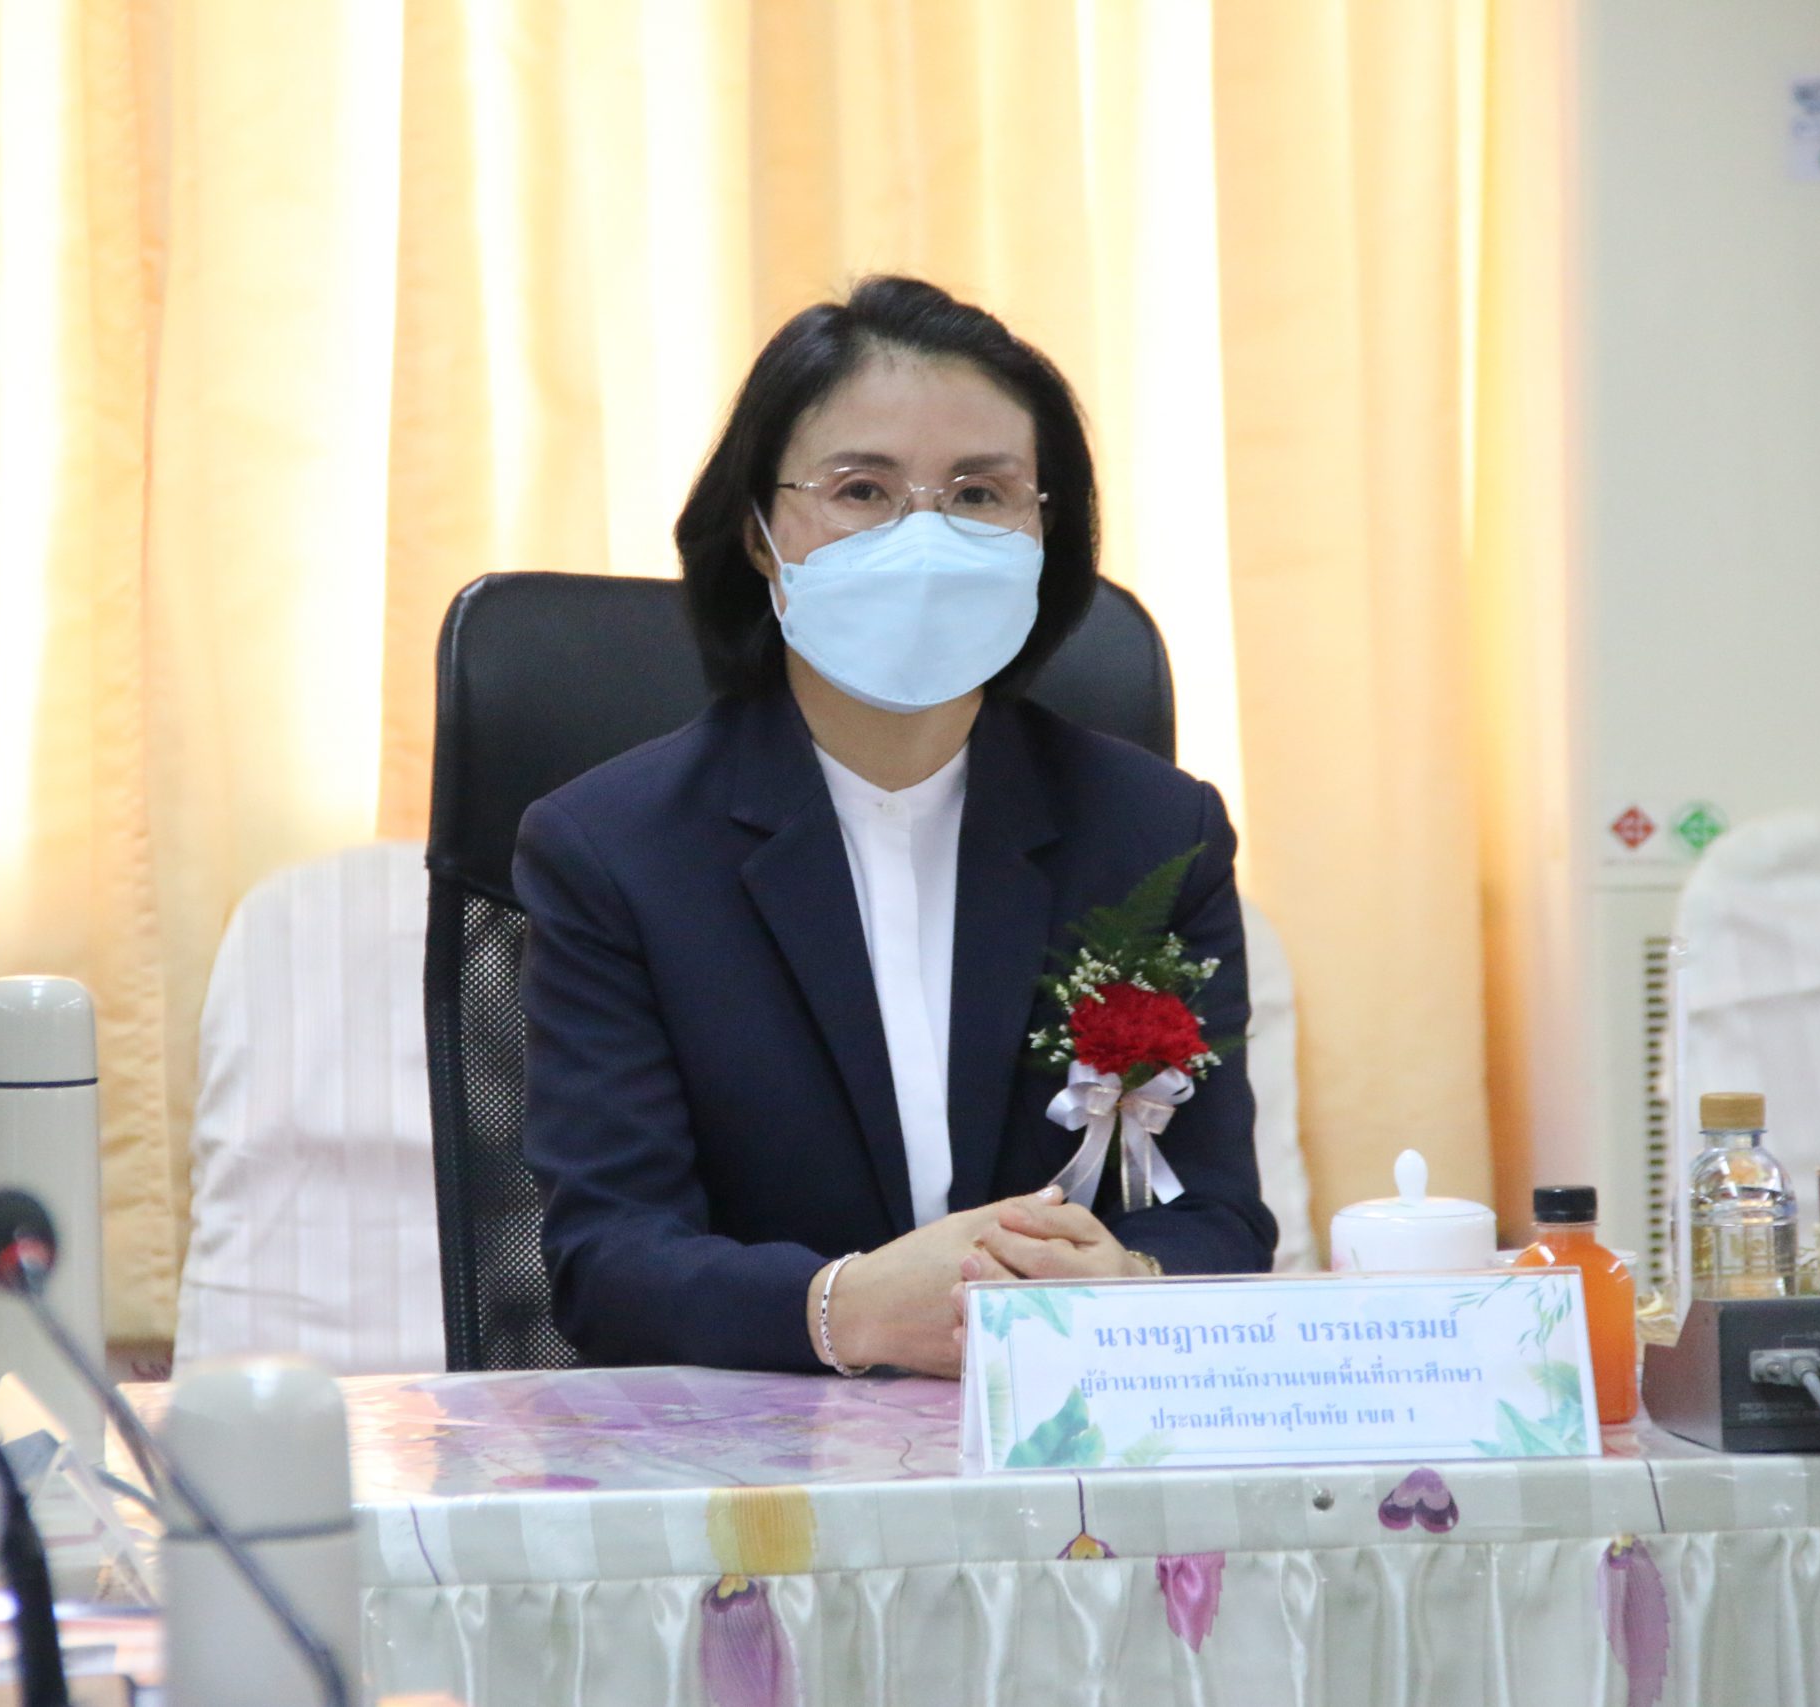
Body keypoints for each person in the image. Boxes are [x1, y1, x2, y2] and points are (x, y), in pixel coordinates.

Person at [515, 276, 1275, 1376]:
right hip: (760, 1443)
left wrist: (1130, 1286)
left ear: (1044, 532)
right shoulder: (612, 852)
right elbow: (609, 1259)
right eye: (862, 490)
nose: (925, 540)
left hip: (1064, 1425)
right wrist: (848, 1309)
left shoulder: (1154, 831)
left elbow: (1219, 1217)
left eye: (979, 493)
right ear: (760, 533)